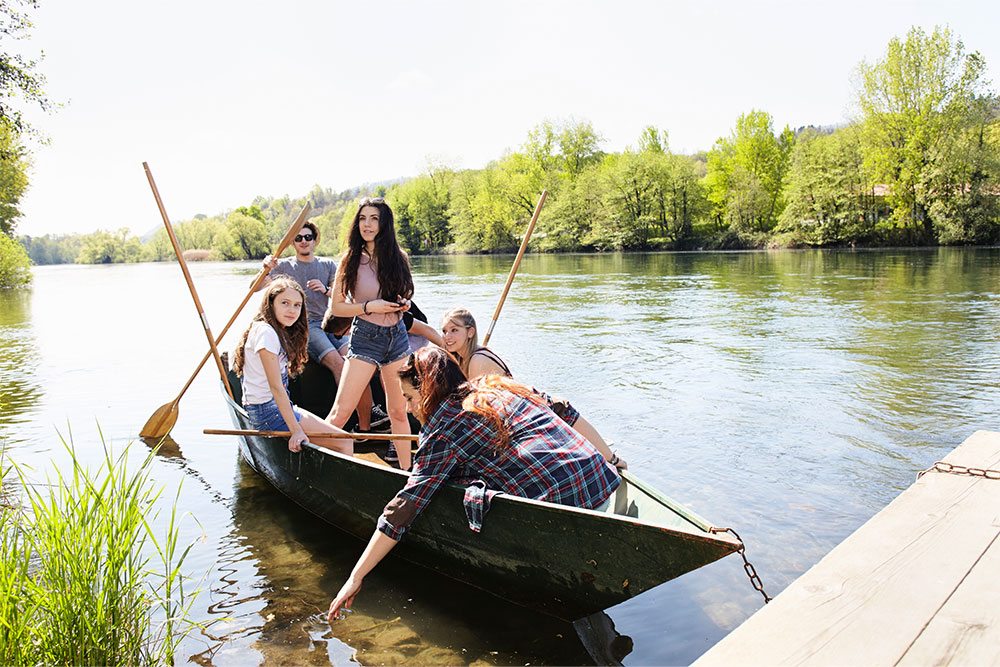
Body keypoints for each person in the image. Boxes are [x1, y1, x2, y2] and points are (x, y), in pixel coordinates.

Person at [326, 346, 621, 621]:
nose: (409, 408)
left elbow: (406, 506)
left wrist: (356, 576)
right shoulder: (497, 385)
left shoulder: (442, 428)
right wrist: (611, 457)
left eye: (410, 397)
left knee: (458, 483)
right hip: (602, 485)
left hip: (566, 510)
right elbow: (564, 409)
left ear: (428, 391)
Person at [439, 307, 627, 469]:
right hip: (517, 415)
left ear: (470, 332)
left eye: (454, 330)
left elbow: (482, 412)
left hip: (534, 409)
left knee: (569, 418)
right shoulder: (464, 360)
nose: (447, 336)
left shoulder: (477, 361)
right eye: (444, 331)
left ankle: (614, 460)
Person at [256, 220, 381, 433]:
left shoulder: (328, 265)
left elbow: (344, 298)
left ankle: (368, 415)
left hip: (331, 323)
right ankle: (343, 420)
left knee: (358, 360)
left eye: (308, 237)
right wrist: (265, 268)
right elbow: (256, 287)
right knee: (338, 364)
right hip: (307, 326)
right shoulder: (284, 266)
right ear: (293, 243)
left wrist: (325, 290)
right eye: (299, 238)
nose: (304, 241)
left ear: (315, 240)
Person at [324, 197, 415, 469]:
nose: (367, 224)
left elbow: (405, 294)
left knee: (399, 411)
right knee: (340, 413)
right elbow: (337, 307)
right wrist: (368, 306)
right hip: (365, 338)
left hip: (397, 338)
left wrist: (404, 304)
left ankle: (408, 475)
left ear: (384, 223)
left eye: (374, 218)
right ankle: (315, 462)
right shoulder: (350, 260)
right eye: (363, 218)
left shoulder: (400, 258)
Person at [232, 278, 350, 453]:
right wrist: (296, 430)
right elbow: (276, 387)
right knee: (345, 442)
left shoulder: (266, 328)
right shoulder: (266, 333)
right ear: (270, 304)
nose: (292, 310)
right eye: (285, 303)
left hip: (267, 409)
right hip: (268, 412)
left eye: (297, 305)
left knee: (335, 434)